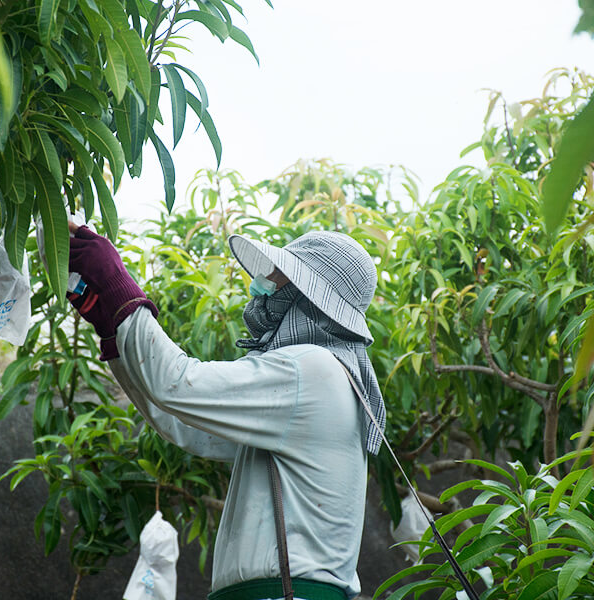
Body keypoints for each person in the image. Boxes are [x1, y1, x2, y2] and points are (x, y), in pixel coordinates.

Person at [67, 223, 386, 600]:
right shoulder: (326, 381)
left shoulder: (312, 369)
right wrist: (112, 327)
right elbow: (184, 425)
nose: (264, 286)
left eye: (278, 277)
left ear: (307, 295)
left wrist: (116, 284)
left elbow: (178, 383)